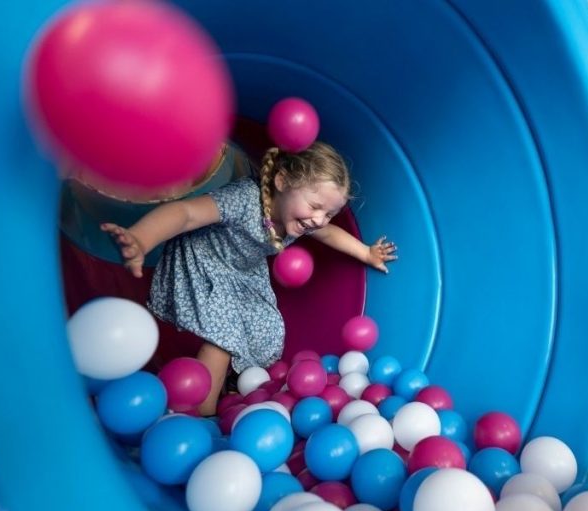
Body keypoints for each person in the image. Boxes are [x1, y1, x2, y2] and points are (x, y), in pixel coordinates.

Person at [101, 142, 397, 415]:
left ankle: (232, 387)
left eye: (330, 213)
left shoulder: (304, 219)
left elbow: (328, 233)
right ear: (282, 183)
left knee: (267, 331)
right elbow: (186, 213)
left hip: (244, 272)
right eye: (315, 207)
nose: (319, 219)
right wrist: (141, 239)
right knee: (224, 337)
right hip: (205, 259)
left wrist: (366, 253)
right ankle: (201, 415)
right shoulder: (244, 199)